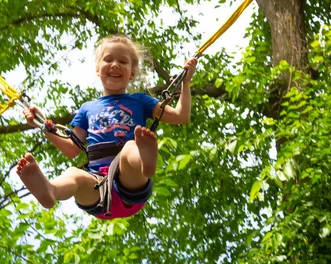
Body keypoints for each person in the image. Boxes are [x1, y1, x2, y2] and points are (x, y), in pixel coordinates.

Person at [17, 34, 197, 219]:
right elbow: (72, 150)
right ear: (97, 69)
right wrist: (43, 126)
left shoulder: (140, 101)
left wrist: (186, 82)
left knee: (130, 147)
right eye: (108, 59)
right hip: (98, 189)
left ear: (132, 73)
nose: (115, 64)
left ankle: (144, 162)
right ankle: (52, 190)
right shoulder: (87, 109)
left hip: (129, 186)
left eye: (123, 61)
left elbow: (181, 116)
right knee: (73, 173)